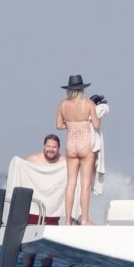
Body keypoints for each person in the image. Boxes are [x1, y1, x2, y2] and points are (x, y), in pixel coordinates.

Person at [56, 74, 101, 226]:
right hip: (85, 143)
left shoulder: (63, 104)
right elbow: (96, 125)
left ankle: (68, 220)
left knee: (71, 183)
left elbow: (59, 126)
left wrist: (71, 124)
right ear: (82, 89)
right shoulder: (88, 104)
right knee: (85, 183)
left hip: (71, 143)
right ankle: (85, 219)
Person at [22, 134, 65, 267]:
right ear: (44, 146)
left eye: (54, 147)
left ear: (58, 148)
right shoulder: (32, 160)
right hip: (34, 208)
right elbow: (22, 176)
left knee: (48, 246)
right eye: (49, 146)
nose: (51, 149)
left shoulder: (64, 162)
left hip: (52, 209)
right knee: (31, 244)